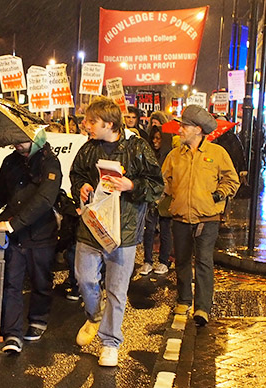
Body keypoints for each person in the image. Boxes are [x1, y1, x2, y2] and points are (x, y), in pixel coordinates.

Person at [70, 97, 163, 367]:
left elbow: (157, 185)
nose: (85, 125)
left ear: (109, 124)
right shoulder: (88, 149)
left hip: (124, 231)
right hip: (92, 227)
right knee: (84, 278)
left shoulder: (137, 148)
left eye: (91, 121)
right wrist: (82, 187)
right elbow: (76, 175)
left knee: (116, 290)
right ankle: (94, 313)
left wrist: (131, 184)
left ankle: (110, 343)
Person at [0, 128, 61, 354]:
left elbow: (44, 200)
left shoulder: (50, 163)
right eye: (14, 140)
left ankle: (38, 319)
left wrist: (13, 224)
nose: (17, 144)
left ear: (35, 136)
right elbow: (0, 194)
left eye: (22, 139)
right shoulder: (10, 161)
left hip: (40, 235)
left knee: (41, 282)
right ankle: (12, 334)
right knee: (11, 282)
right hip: (14, 236)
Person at [161, 105, 240, 326]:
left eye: (184, 126)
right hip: (180, 217)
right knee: (183, 261)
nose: (180, 130)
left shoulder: (217, 154)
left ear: (197, 129)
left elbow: (231, 180)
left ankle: (202, 308)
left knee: (204, 261)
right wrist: (168, 193)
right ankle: (184, 299)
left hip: (207, 218)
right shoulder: (174, 155)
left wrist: (219, 194)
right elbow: (163, 180)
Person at [140, 125, 174, 276]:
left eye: (158, 138)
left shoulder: (171, 156)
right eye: (153, 138)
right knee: (149, 229)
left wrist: (164, 192)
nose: (155, 141)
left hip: (166, 198)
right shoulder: (149, 154)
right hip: (151, 198)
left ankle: (164, 261)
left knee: (165, 230)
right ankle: (147, 261)